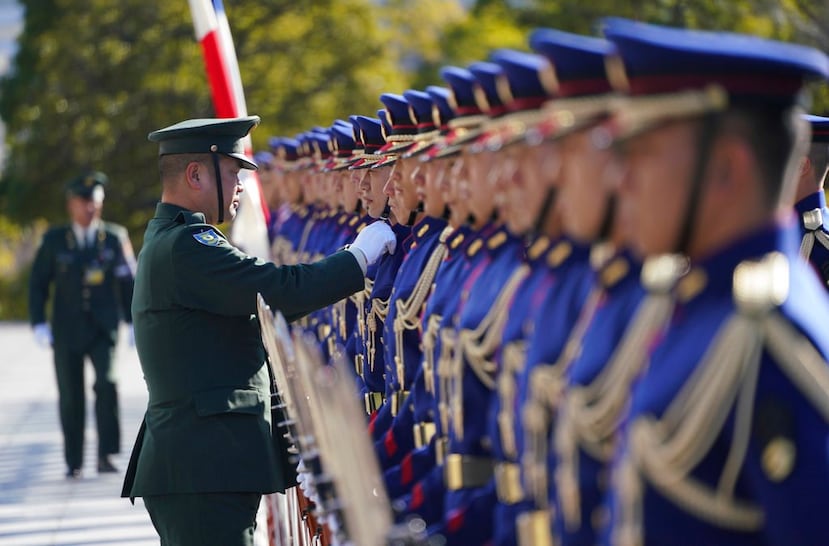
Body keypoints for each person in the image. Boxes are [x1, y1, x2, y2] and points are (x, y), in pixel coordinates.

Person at [599, 18, 829, 545]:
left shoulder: (769, 338)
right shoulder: (695, 302)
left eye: (642, 155)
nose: (621, 179)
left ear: (726, 169)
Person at [120, 115, 396, 546]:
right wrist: (358, 258)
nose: (241, 187)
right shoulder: (188, 246)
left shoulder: (175, 240)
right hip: (204, 469)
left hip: (205, 465)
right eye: (233, 173)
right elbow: (280, 290)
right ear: (196, 174)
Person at [29, 170, 136, 479]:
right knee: (71, 394)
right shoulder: (54, 240)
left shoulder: (114, 238)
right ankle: (73, 460)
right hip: (67, 330)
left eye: (95, 203)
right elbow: (38, 284)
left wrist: (131, 321)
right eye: (83, 202)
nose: (90, 209)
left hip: (103, 328)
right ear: (71, 204)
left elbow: (128, 281)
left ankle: (106, 454)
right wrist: (38, 322)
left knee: (108, 383)